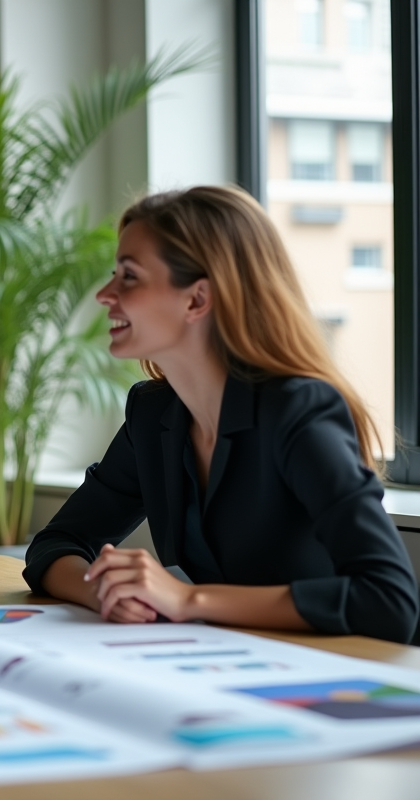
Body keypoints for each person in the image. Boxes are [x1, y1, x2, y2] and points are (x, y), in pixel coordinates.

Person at [22, 186, 419, 643]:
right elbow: (55, 545)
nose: (105, 294)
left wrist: (187, 600)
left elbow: (390, 600)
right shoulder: (153, 416)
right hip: (228, 660)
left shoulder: (299, 410)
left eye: (128, 277)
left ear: (196, 300)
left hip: (335, 672)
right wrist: (107, 593)